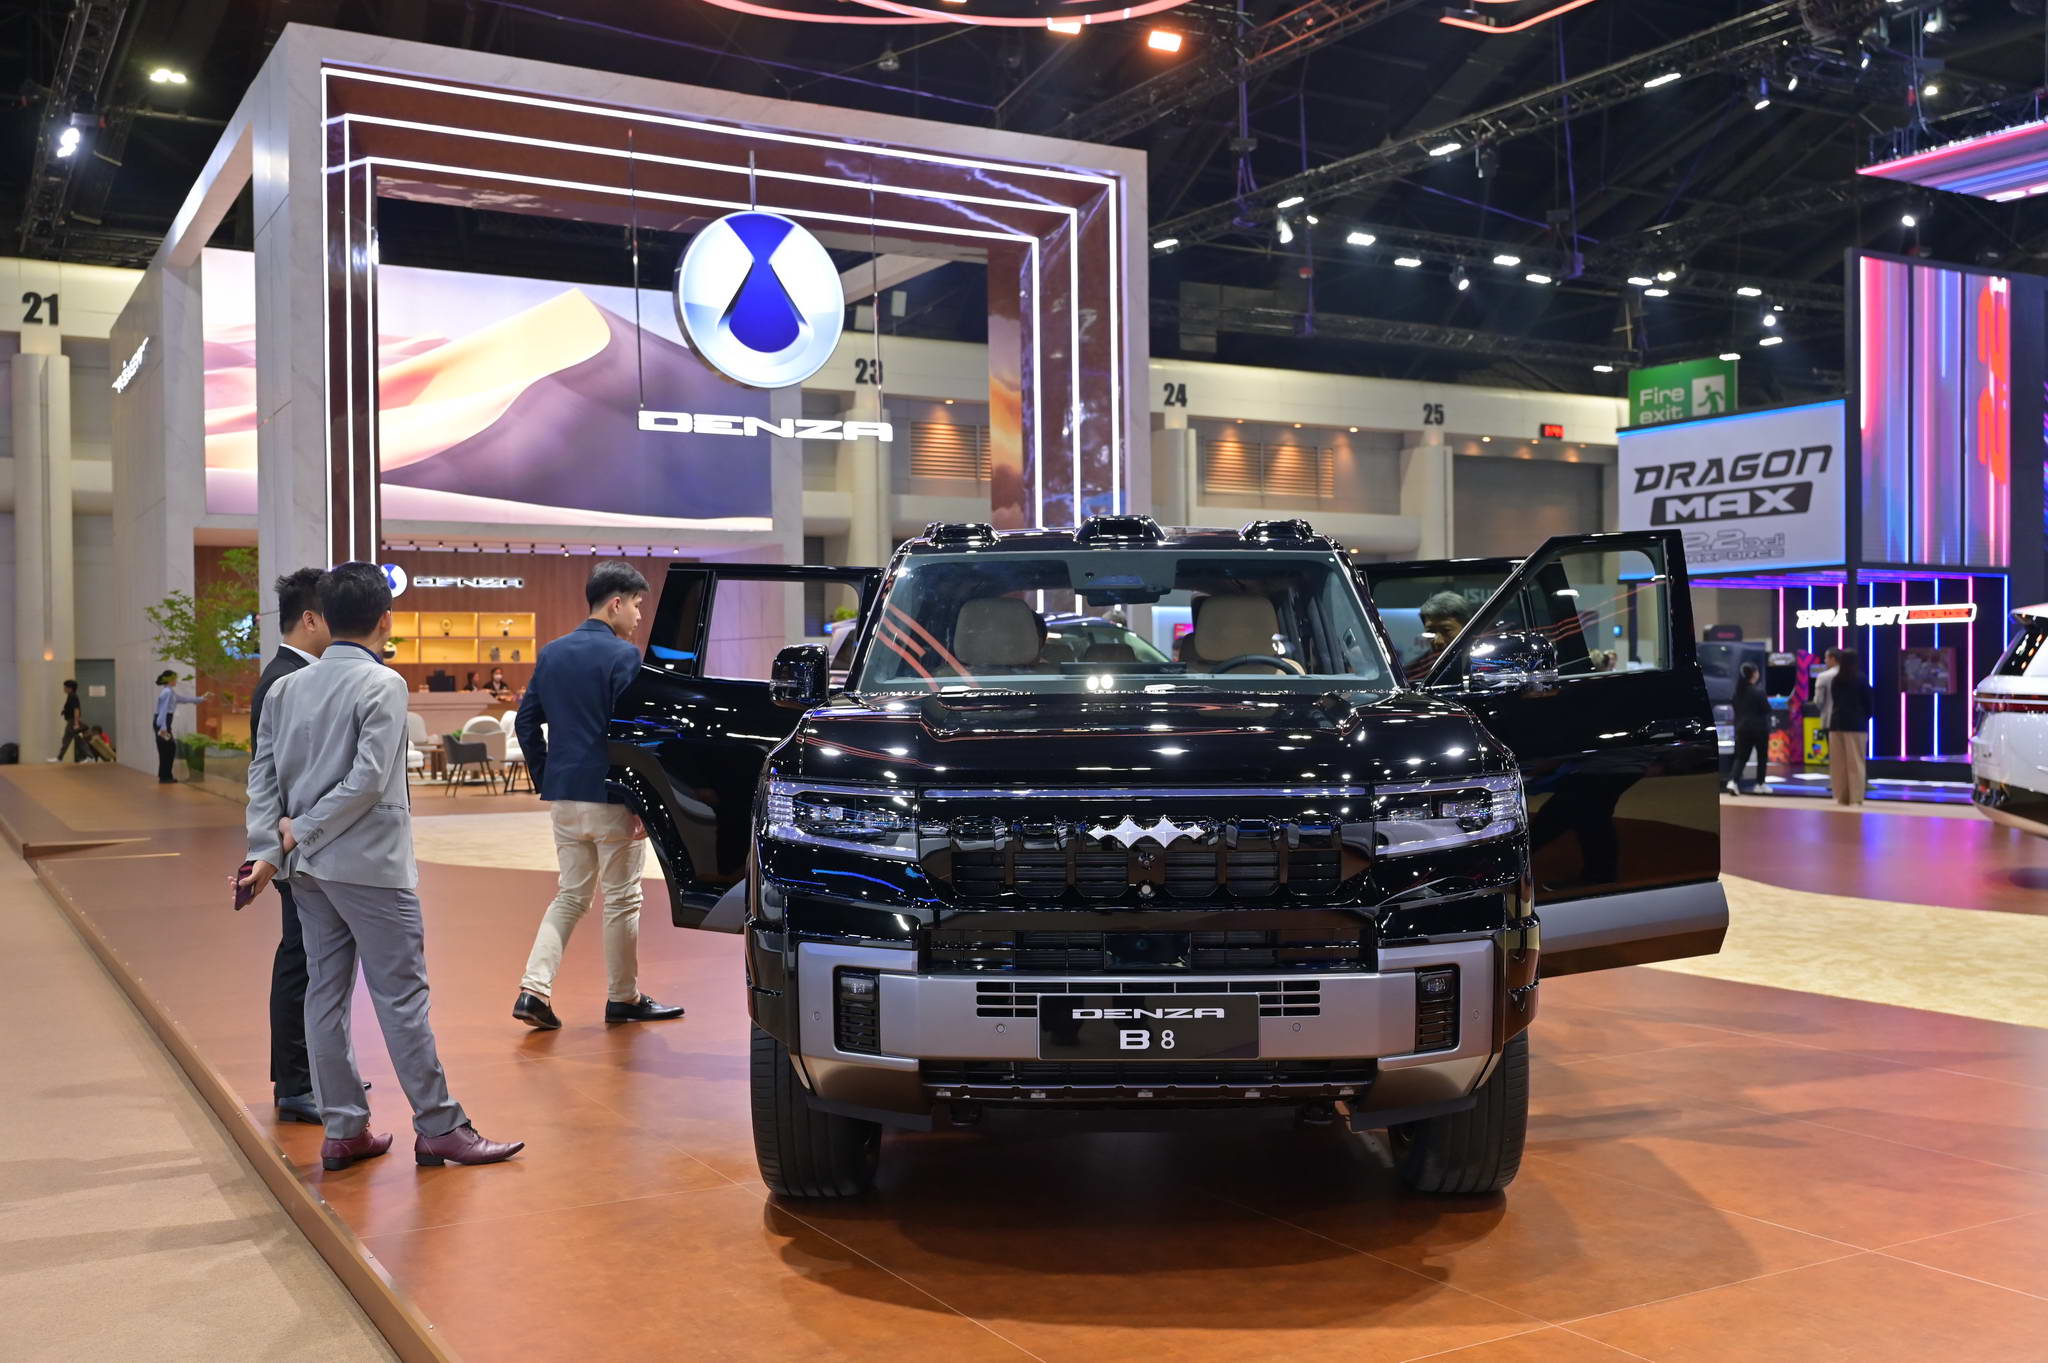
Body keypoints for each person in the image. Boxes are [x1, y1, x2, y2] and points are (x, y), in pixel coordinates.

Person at [239, 562, 522, 1171]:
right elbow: (368, 780)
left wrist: (270, 847)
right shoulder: (382, 683)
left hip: (308, 871)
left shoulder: (286, 688)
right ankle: (440, 1125)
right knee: (401, 997)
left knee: (325, 994)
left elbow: (262, 776)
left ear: (325, 616)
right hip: (370, 866)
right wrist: (300, 830)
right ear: (385, 620)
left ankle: (344, 1130)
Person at [511, 561, 683, 1030]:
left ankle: (534, 989)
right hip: (611, 797)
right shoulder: (624, 657)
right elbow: (631, 736)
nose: (639, 616)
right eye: (637, 605)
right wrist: (640, 801)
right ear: (616, 603)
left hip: (565, 796)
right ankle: (624, 998)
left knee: (570, 896)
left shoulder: (552, 653)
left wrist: (548, 777)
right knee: (622, 899)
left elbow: (526, 723)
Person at [250, 568, 332, 1126]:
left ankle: (311, 1076)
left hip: (302, 845)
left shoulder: (295, 676)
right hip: (296, 848)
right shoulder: (284, 681)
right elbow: (270, 776)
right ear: (310, 619)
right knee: (300, 962)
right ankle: (296, 1084)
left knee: (311, 961)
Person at [1825, 648, 1872, 807]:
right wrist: (1865, 717)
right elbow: (1868, 703)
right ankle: (1855, 798)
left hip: (1836, 724)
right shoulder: (1861, 679)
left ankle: (1842, 796)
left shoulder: (1836, 680)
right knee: (1856, 761)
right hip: (1856, 725)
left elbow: (1835, 700)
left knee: (1839, 763)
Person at [153, 670, 209, 784]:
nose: (176, 681)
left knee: (169, 748)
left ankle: (165, 775)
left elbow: (182, 699)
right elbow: (163, 711)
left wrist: (199, 699)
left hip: (164, 723)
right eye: (174, 679)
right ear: (169, 680)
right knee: (167, 749)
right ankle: (164, 777)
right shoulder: (167, 692)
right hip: (163, 723)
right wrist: (163, 728)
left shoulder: (170, 691)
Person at [1406, 590, 1472, 682]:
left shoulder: (1481, 664)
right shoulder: (1412, 672)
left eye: (1446, 630)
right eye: (1430, 632)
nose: (1438, 641)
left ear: (1466, 627)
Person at [1727, 661, 1772, 795]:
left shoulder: (1737, 693)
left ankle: (1733, 781)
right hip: (1760, 729)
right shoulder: (1758, 691)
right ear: (1753, 674)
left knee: (1741, 757)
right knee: (1762, 757)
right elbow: (1766, 709)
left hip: (1742, 729)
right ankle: (1760, 784)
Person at [54, 680, 87, 762]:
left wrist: (76, 723)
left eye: (65, 687)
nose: (64, 689)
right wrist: (64, 711)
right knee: (77, 739)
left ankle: (59, 758)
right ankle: (90, 756)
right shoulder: (71, 696)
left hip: (72, 721)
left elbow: (76, 710)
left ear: (70, 688)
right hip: (71, 720)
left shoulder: (73, 696)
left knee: (66, 739)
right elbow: (71, 708)